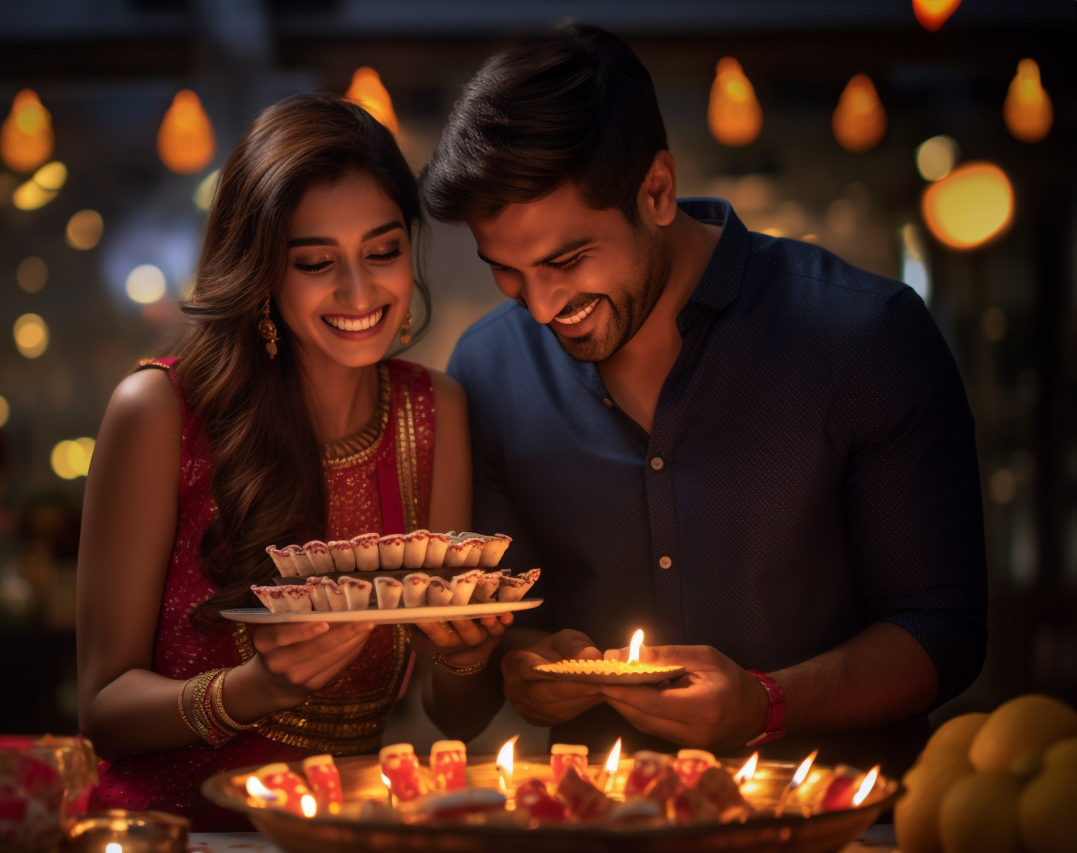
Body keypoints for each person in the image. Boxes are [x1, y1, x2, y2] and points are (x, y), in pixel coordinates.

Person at [420, 23, 987, 776]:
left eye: (567, 258)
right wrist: (516, 661)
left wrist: (767, 702)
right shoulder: (489, 369)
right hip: (594, 825)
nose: (542, 304)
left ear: (657, 190)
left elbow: (943, 629)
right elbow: (463, 693)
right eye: (507, 270)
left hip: (833, 822)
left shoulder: (866, 337)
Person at [76, 93, 504, 829]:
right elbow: (104, 709)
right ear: (261, 270)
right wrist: (251, 688)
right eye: (315, 262)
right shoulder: (159, 410)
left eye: (383, 251)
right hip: (175, 836)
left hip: (336, 835)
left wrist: (466, 656)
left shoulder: (434, 413)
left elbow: (453, 714)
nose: (361, 291)